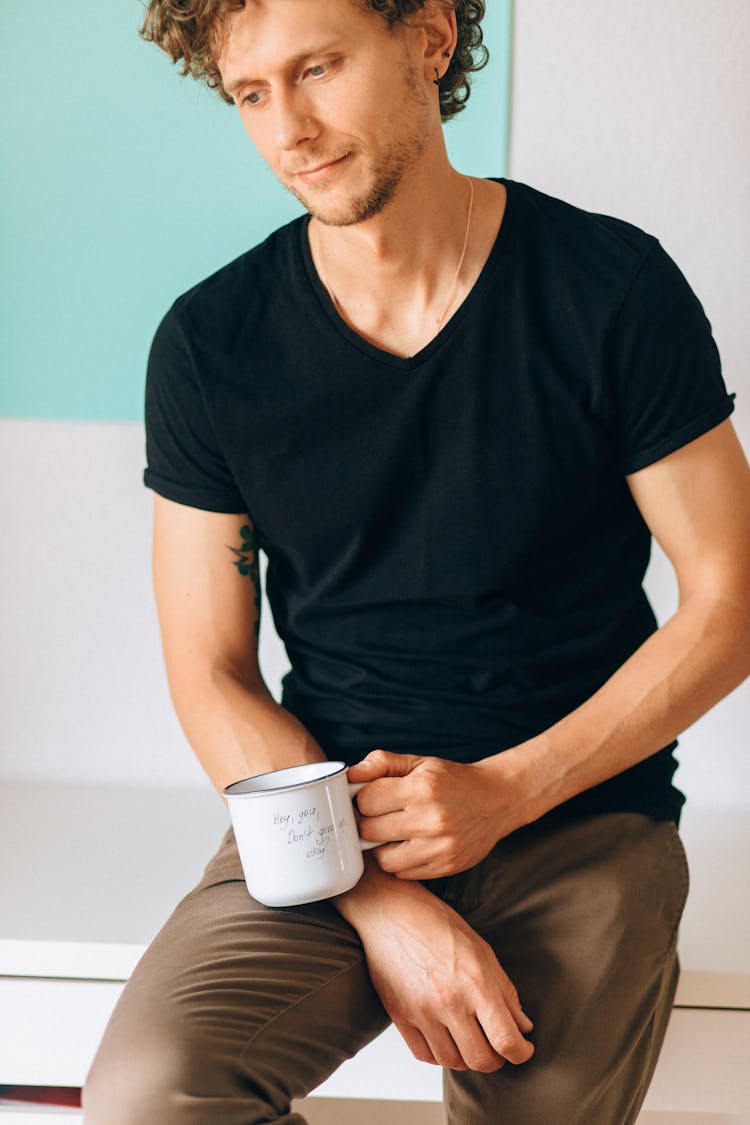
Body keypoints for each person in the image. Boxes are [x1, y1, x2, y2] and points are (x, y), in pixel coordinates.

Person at [83, 1, 750, 1122]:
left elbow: (731, 598)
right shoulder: (209, 345)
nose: (289, 127)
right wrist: (371, 890)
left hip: (581, 815)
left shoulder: (609, 288)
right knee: (152, 1096)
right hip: (327, 824)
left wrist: (502, 792)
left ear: (429, 40)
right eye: (252, 93)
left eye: (319, 68)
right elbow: (212, 673)